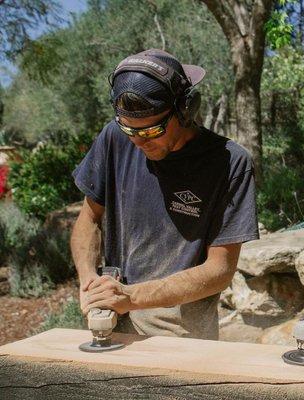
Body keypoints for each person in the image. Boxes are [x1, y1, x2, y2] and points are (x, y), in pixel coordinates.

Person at [70, 49, 258, 339]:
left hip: (180, 331)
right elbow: (89, 218)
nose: (137, 141)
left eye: (151, 130)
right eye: (128, 128)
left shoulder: (229, 163)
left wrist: (132, 296)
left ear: (185, 109)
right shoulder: (114, 138)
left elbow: (219, 270)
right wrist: (89, 281)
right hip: (112, 318)